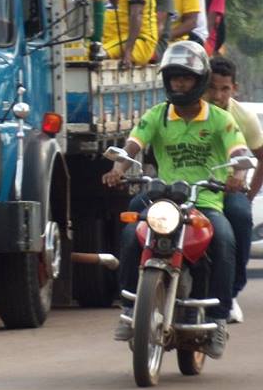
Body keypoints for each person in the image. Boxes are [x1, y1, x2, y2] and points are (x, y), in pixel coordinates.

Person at [102, 41, 247, 359]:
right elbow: (132, 145)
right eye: (174, 78)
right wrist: (117, 169)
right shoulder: (157, 115)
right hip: (163, 200)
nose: (179, 84)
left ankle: (218, 318)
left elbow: (238, 150)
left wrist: (238, 173)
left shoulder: (220, 119)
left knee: (224, 241)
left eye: (186, 77)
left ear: (200, 80)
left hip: (205, 201)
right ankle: (129, 309)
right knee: (130, 233)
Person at [204, 56, 262, 323]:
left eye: (224, 89)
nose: (217, 96)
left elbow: (259, 156)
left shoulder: (243, 118)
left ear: (234, 88)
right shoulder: (187, 110)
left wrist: (248, 195)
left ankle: (231, 292)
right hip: (190, 187)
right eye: (211, 88)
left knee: (240, 216)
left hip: (226, 190)